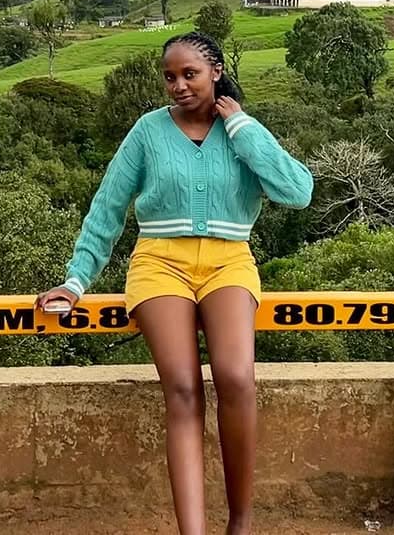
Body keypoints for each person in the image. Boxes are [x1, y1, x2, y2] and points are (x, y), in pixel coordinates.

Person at [36, 30, 313, 535]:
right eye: (170, 77)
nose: (179, 86)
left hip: (229, 262)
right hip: (159, 263)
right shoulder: (148, 131)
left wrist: (244, 129)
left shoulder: (243, 131)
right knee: (183, 388)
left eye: (190, 74)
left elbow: (297, 192)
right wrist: (76, 280)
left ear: (217, 72)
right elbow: (108, 208)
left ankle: (242, 523)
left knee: (235, 378)